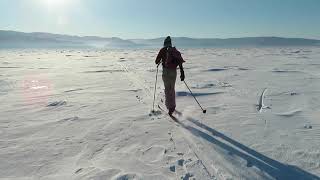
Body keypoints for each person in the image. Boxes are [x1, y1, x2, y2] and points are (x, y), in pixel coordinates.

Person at [155, 36, 185, 116]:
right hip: (173, 72)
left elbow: (156, 61)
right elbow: (180, 62)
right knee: (172, 89)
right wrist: (182, 73)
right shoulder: (174, 50)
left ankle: (169, 107)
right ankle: (173, 106)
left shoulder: (163, 50)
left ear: (164, 43)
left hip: (166, 72)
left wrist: (161, 60)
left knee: (167, 89)